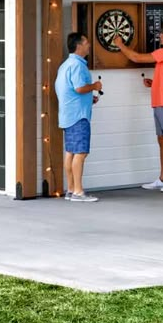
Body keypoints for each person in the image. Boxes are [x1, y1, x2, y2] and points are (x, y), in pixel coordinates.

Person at [113, 22, 163, 192]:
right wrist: (155, 84)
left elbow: (137, 58)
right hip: (162, 101)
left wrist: (120, 45)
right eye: (160, 33)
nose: (160, 36)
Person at [55, 33, 102, 202]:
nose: (89, 45)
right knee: (80, 153)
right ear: (78, 46)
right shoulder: (77, 65)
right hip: (78, 116)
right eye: (86, 43)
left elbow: (71, 90)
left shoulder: (66, 65)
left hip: (68, 114)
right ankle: (78, 192)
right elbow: (80, 88)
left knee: (71, 152)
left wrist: (90, 98)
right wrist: (95, 86)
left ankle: (71, 189)